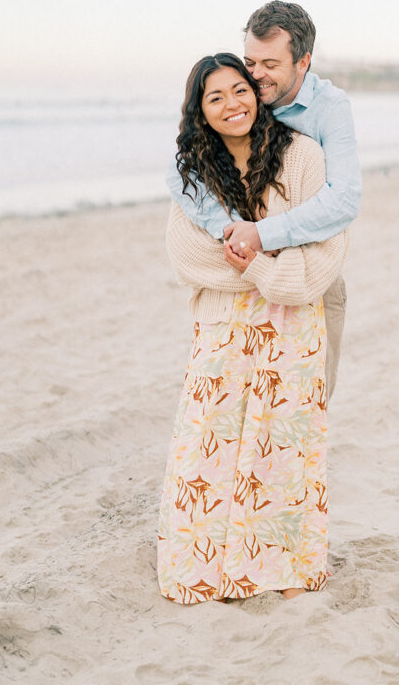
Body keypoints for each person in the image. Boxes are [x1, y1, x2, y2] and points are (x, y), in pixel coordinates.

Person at [158, 53, 348, 603]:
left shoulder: (304, 158)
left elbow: (324, 257)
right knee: (207, 452)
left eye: (239, 90)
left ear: (256, 93)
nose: (232, 104)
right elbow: (187, 257)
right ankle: (210, 575)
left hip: (292, 330)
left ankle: (286, 573)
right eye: (214, 98)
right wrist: (273, 265)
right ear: (200, 112)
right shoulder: (194, 174)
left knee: (284, 455)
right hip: (220, 330)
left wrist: (258, 264)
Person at [165, 1, 361, 398]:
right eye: (250, 62)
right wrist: (237, 236)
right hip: (238, 295)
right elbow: (184, 172)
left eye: (270, 65)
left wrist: (261, 236)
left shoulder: (328, 108)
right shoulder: (236, 102)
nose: (255, 76)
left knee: (306, 407)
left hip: (312, 282)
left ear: (303, 62)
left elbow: (343, 202)